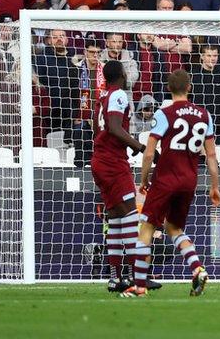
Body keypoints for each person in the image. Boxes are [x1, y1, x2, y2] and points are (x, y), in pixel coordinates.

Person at [130, 69, 220, 297]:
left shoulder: (164, 113)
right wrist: (215, 186)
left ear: (169, 89)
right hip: (189, 181)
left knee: (147, 227)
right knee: (174, 228)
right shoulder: (204, 115)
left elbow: (150, 152)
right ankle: (197, 268)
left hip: (166, 178)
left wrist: (143, 178)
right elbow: (210, 155)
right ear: (189, 87)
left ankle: (139, 286)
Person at [89, 60, 147, 293]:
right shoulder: (119, 94)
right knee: (132, 218)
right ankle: (134, 276)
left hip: (100, 161)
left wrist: (126, 146)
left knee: (115, 220)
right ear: (122, 74)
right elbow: (114, 127)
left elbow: (98, 129)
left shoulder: (102, 99)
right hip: (113, 163)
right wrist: (139, 146)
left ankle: (115, 278)